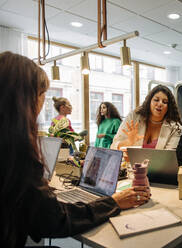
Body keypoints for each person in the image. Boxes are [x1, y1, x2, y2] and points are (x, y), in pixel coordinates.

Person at [0, 51, 150, 247]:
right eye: (42, 93)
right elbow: (53, 220)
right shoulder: (15, 153)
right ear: (24, 99)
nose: (43, 101)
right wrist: (113, 202)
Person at [111, 85, 182, 150]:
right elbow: (113, 146)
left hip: (158, 164)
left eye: (165, 102)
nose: (160, 104)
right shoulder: (134, 116)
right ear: (149, 102)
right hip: (130, 163)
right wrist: (128, 142)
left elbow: (169, 156)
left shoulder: (175, 127)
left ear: (169, 107)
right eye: (156, 100)